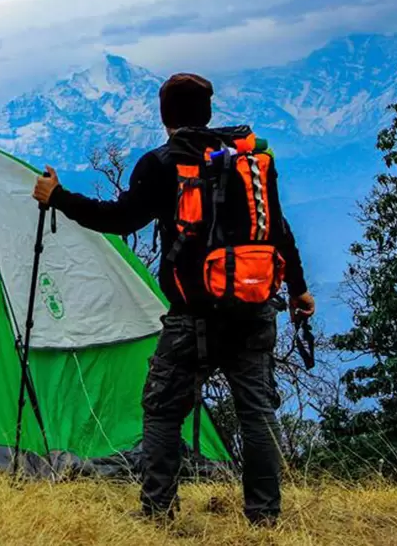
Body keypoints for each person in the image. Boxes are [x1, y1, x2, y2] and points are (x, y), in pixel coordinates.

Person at [32, 72, 315, 526]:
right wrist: (298, 289)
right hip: (254, 307)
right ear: (207, 112)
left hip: (193, 317)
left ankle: (158, 511)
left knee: (162, 410)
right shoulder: (250, 161)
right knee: (256, 414)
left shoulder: (163, 163)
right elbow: (277, 229)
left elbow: (120, 219)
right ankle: (264, 518)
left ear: (164, 116)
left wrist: (58, 197)